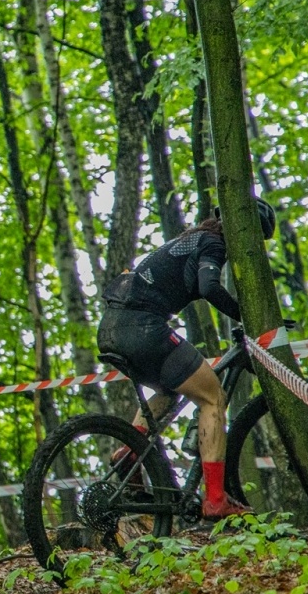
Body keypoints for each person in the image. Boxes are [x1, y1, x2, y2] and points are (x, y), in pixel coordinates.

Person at [97, 201, 277, 519]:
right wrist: (245, 315)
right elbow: (208, 287)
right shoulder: (214, 241)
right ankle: (216, 499)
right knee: (213, 397)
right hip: (143, 326)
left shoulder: (191, 238)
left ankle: (128, 451)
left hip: (112, 327)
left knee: (170, 388)